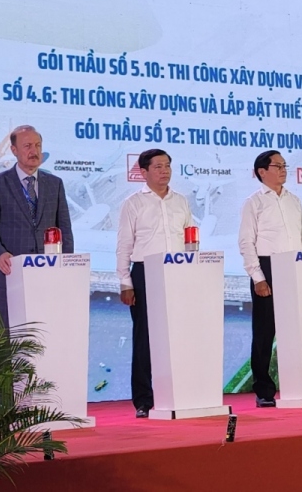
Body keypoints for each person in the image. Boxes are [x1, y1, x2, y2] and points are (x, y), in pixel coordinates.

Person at [115, 149, 193, 418]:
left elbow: (191, 239)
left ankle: (176, 394)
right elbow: (124, 244)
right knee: (145, 337)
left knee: (178, 335)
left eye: (168, 165)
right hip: (145, 273)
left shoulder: (181, 202)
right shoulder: (134, 203)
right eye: (158, 166)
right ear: (144, 172)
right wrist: (125, 281)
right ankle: (144, 400)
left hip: (178, 271)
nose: (164, 170)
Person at [0, 125, 74, 330]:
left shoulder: (55, 184)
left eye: (38, 145)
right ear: (14, 150)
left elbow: (64, 228)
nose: (34, 151)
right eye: (28, 145)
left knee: (48, 334)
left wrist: (65, 267)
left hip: (48, 275)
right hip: (10, 274)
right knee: (7, 340)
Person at [237, 150, 302, 408]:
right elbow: (246, 242)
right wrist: (258, 276)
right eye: (277, 166)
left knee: (296, 332)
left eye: (284, 165)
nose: (283, 170)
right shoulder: (253, 202)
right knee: (265, 332)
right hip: (267, 267)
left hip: (293, 265)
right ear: (261, 171)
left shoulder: (294, 201)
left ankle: (296, 385)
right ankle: (264, 390)